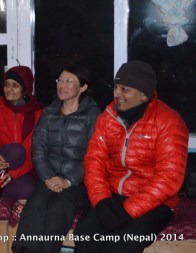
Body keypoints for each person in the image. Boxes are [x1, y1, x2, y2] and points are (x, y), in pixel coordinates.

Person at [73, 61, 189, 253]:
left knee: (122, 244)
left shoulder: (169, 122)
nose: (116, 94)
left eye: (125, 89)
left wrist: (127, 211)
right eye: (116, 87)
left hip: (154, 202)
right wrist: (101, 201)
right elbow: (94, 162)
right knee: (85, 236)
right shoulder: (108, 117)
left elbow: (169, 178)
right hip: (112, 195)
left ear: (144, 94)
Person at [12, 65, 101, 253]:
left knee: (59, 205)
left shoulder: (93, 115)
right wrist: (48, 178)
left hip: (80, 183)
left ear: (83, 87)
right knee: (36, 202)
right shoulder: (49, 112)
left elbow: (95, 157)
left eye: (69, 81)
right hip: (50, 178)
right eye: (60, 80)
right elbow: (38, 148)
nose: (62, 85)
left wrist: (68, 180)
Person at [0, 66, 44, 200]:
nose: (9, 89)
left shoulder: (38, 113)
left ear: (25, 89)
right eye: (6, 85)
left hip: (22, 168)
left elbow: (34, 150)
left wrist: (13, 174)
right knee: (16, 151)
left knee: (27, 189)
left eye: (15, 85)